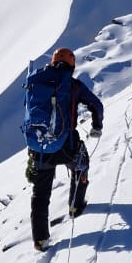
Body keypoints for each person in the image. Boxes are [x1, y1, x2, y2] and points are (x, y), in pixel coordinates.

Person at [26, 47, 103, 251]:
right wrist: (97, 126)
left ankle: (40, 240)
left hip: (39, 149)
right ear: (72, 64)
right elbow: (96, 105)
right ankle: (75, 206)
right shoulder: (73, 85)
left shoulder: (36, 81)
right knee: (81, 165)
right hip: (66, 146)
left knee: (40, 194)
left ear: (52, 62)